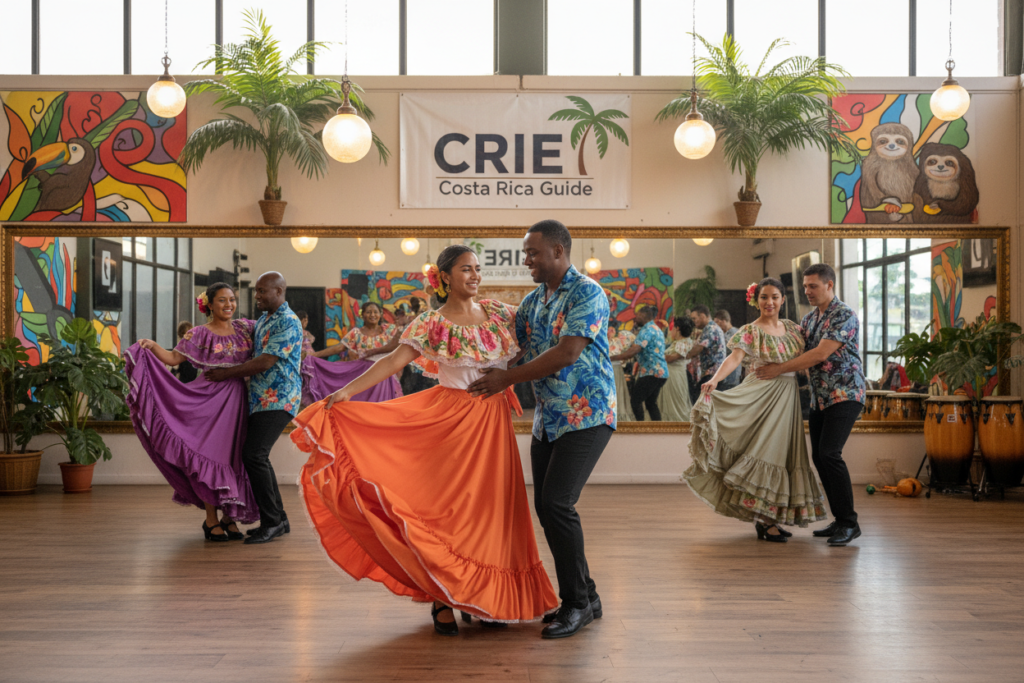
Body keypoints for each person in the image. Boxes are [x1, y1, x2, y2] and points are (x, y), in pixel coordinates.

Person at [289, 244, 558, 635]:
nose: (475, 275)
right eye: (467, 269)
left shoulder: (501, 314)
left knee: (490, 510)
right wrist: (347, 391)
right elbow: (393, 361)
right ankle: (442, 599)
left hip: (492, 424)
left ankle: (483, 599)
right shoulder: (430, 323)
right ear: (444, 276)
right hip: (449, 423)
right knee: (447, 512)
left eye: (478, 269)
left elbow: (527, 352)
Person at [468, 219, 616, 639]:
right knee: (548, 508)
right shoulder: (533, 302)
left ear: (558, 250)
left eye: (533, 252)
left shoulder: (587, 292)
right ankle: (586, 595)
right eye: (525, 252)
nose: (526, 259)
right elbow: (510, 352)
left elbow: (568, 352)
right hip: (549, 420)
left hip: (587, 414)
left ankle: (575, 605)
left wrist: (506, 380)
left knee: (556, 505)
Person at [684, 277, 828, 542]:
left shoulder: (794, 329)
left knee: (782, 455)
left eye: (774, 297)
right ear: (756, 300)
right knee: (764, 452)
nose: (769, 302)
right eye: (764, 297)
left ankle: (769, 518)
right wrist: (715, 379)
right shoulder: (751, 329)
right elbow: (735, 357)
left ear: (782, 300)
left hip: (787, 398)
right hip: (760, 394)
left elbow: (807, 361)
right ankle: (765, 521)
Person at [124, 283, 258, 541]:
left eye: (232, 299)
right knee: (209, 455)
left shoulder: (244, 329)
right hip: (207, 400)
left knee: (235, 457)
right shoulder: (199, 333)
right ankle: (211, 520)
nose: (228, 305)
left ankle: (230, 517)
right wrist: (152, 346)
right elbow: (174, 359)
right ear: (208, 304)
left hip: (237, 401)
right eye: (221, 300)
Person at [755, 264, 866, 547]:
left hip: (845, 394)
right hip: (820, 397)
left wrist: (778, 369)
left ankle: (850, 523)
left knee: (830, 454)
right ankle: (840, 520)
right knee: (819, 457)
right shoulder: (808, 319)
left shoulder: (844, 315)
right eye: (805, 286)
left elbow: (818, 354)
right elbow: (793, 347)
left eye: (813, 286)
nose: (807, 291)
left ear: (830, 285)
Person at [204, 272, 303, 545]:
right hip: (261, 399)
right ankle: (278, 519)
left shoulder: (287, 321)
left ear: (279, 291)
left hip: (279, 398)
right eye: (257, 291)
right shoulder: (263, 321)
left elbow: (265, 361)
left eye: (262, 291)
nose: (257, 296)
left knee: (254, 456)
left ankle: (271, 522)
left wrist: (225, 374)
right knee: (258, 457)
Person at [611, 305, 668, 421]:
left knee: (635, 401)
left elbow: (634, 350)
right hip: (661, 372)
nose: (635, 318)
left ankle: (640, 429)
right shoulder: (656, 329)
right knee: (651, 403)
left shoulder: (646, 330)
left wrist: (614, 357)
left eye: (637, 316)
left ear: (643, 315)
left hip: (651, 372)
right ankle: (658, 430)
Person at [314, 301, 400, 362]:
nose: (372, 315)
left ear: (380, 315)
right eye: (369, 312)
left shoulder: (390, 329)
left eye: (375, 312)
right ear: (362, 315)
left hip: (385, 375)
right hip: (363, 376)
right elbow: (339, 348)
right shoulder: (356, 333)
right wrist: (315, 355)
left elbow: (399, 344)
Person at [684, 306, 727, 403]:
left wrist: (682, 356)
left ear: (703, 316)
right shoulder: (711, 328)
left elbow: (699, 348)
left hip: (712, 373)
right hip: (713, 373)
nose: (693, 321)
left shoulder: (710, 329)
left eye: (694, 318)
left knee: (698, 400)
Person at [657, 316, 695, 422]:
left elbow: (671, 358)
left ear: (677, 329)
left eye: (672, 328)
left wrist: (655, 355)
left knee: (677, 404)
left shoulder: (684, 343)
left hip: (676, 376)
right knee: (668, 403)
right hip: (670, 375)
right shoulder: (678, 343)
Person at [608, 321, 635, 422]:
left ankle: (619, 418)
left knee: (617, 391)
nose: (609, 332)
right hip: (605, 370)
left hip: (616, 369)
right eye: (608, 329)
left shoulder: (618, 341)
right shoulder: (600, 341)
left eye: (612, 330)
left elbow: (632, 341)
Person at [713, 310, 742, 391]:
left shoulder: (732, 333)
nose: (716, 326)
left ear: (723, 321)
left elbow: (726, 349)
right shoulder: (732, 332)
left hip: (731, 375)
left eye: (717, 322)